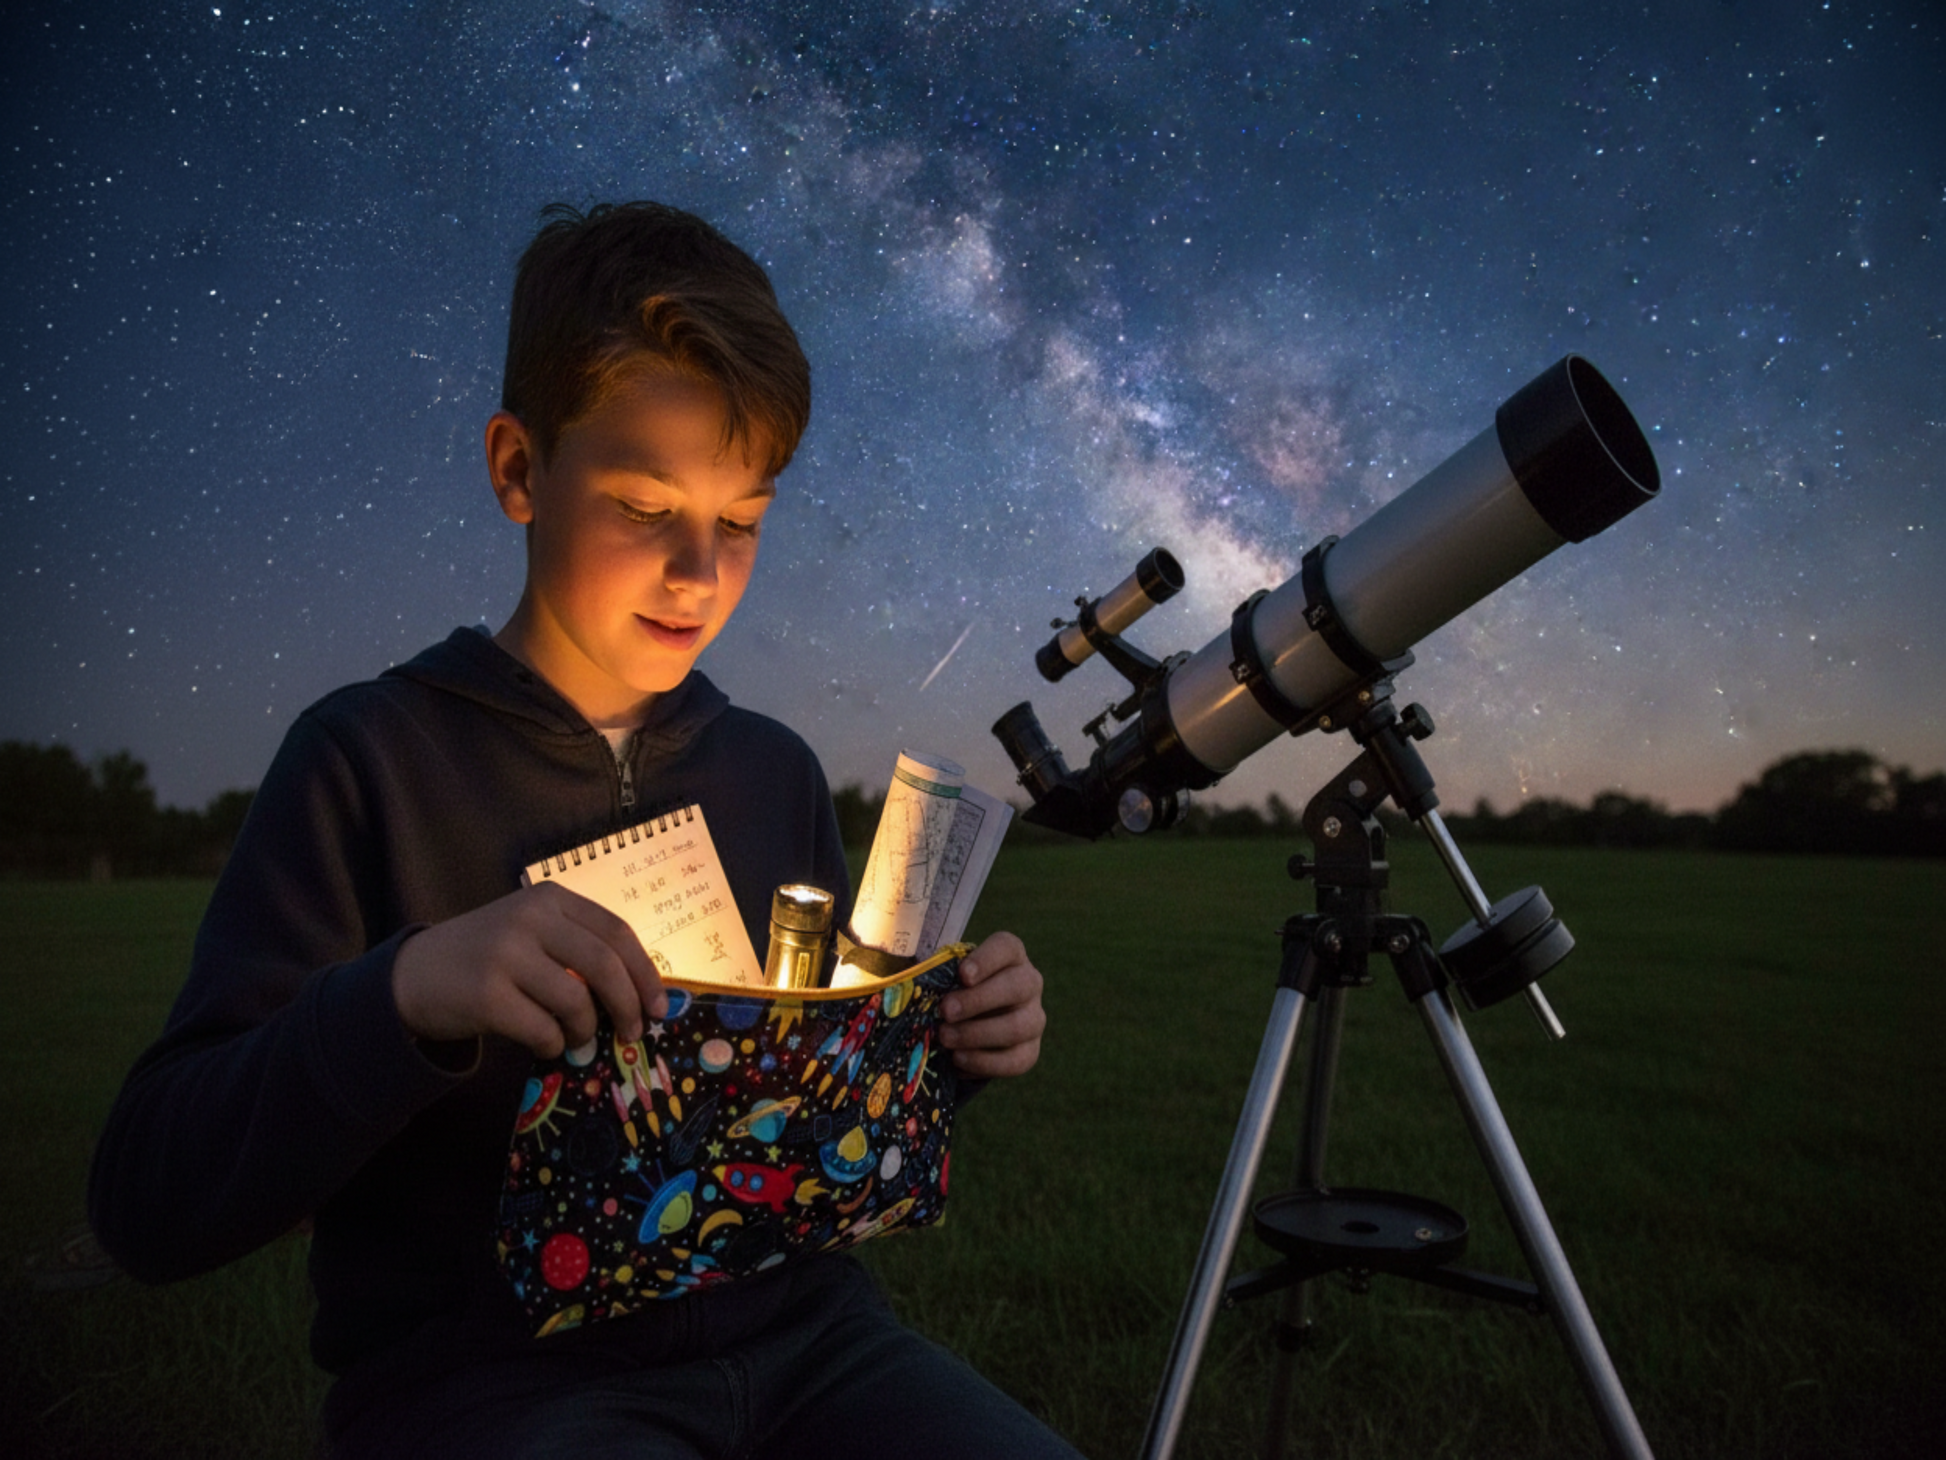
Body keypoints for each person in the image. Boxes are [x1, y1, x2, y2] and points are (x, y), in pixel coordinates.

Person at [88, 201, 1082, 1460]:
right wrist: (403, 992)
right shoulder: (365, 762)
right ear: (518, 469)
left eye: (740, 520)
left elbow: (809, 1119)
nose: (698, 573)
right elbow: (148, 1199)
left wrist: (943, 1044)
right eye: (642, 505)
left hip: (814, 1339)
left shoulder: (771, 772)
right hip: (498, 1381)